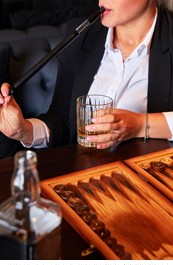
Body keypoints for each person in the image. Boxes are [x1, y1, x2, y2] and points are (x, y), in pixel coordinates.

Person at [0, 0, 173, 153]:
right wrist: (24, 130)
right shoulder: (81, 36)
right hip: (86, 176)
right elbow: (63, 120)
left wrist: (140, 125)